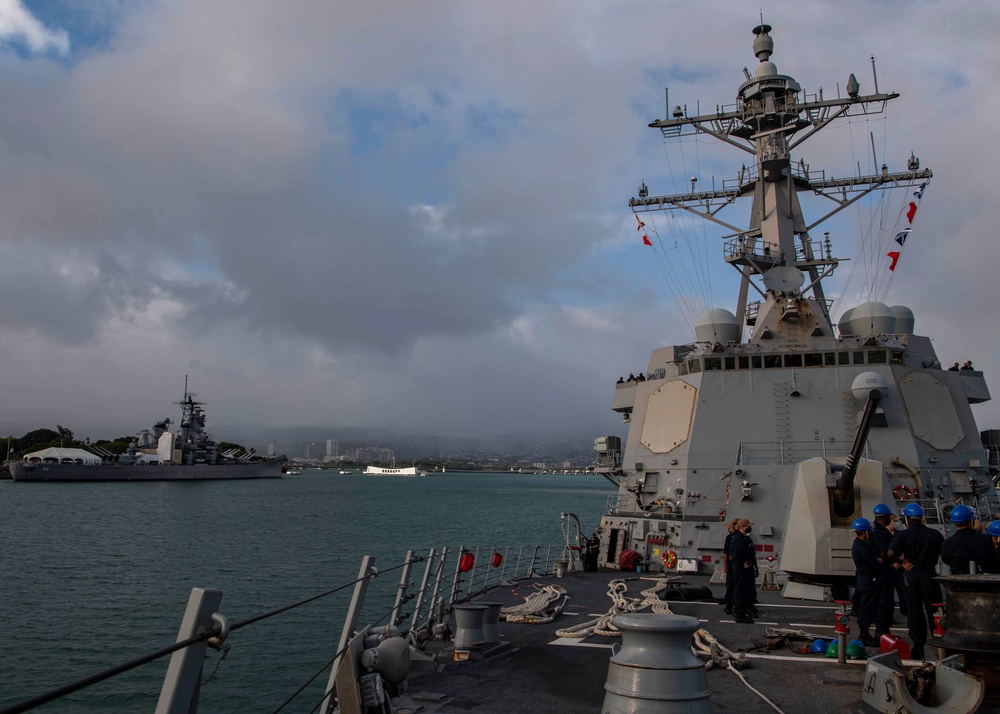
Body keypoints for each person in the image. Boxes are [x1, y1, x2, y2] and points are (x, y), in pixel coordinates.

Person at [887, 503, 944, 661]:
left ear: (907, 519)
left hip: (912, 574)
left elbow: (890, 553)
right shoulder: (934, 534)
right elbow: (944, 553)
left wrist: (903, 562)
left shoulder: (903, 535)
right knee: (935, 610)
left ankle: (918, 645)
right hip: (930, 574)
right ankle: (939, 640)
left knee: (914, 610)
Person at [940, 505, 1000, 574]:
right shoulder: (987, 539)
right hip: (982, 580)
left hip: (957, 580)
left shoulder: (947, 543)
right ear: (970, 522)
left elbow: (946, 560)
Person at [851, 517, 880, 646]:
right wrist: (880, 561)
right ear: (864, 532)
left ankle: (865, 633)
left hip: (864, 579)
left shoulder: (859, 544)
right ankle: (864, 634)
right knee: (867, 608)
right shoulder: (860, 547)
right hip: (867, 580)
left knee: (867, 606)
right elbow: (873, 563)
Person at [870, 503, 896, 638]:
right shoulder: (878, 532)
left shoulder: (881, 530)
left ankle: (883, 629)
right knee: (884, 601)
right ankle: (881, 631)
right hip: (883, 572)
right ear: (884, 517)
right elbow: (886, 550)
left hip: (885, 570)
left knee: (886, 601)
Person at [730, 518, 758, 623]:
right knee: (740, 590)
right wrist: (743, 564)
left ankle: (742, 610)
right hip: (740, 568)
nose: (749, 528)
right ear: (743, 527)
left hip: (745, 568)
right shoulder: (738, 538)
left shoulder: (745, 538)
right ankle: (739, 613)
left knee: (745, 589)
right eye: (747, 526)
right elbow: (736, 554)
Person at [722, 518, 739, 614]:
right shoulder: (729, 538)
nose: (729, 529)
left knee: (738, 586)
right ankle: (728, 605)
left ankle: (736, 604)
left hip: (738, 564)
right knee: (730, 585)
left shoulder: (740, 537)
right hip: (731, 563)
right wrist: (725, 564)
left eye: (731, 527)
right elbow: (725, 552)